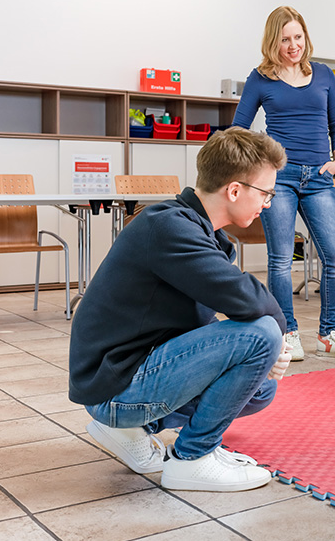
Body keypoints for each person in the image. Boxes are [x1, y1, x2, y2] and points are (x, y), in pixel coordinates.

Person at [68, 128, 292, 492]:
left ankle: (134, 428)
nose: (267, 202)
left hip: (125, 376)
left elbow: (213, 319)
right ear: (234, 190)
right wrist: (280, 339)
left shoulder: (197, 230)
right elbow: (246, 297)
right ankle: (193, 459)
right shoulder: (168, 227)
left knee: (260, 390)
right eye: (266, 192)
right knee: (263, 333)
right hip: (112, 388)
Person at [233, 6, 335, 361]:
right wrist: (257, 167)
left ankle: (329, 332)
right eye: (285, 39)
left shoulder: (323, 74)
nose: (293, 46)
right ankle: (288, 332)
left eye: (298, 37)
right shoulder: (261, 78)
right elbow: (238, 127)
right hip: (281, 179)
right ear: (274, 41)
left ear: (306, 37)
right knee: (280, 260)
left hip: (320, 179)